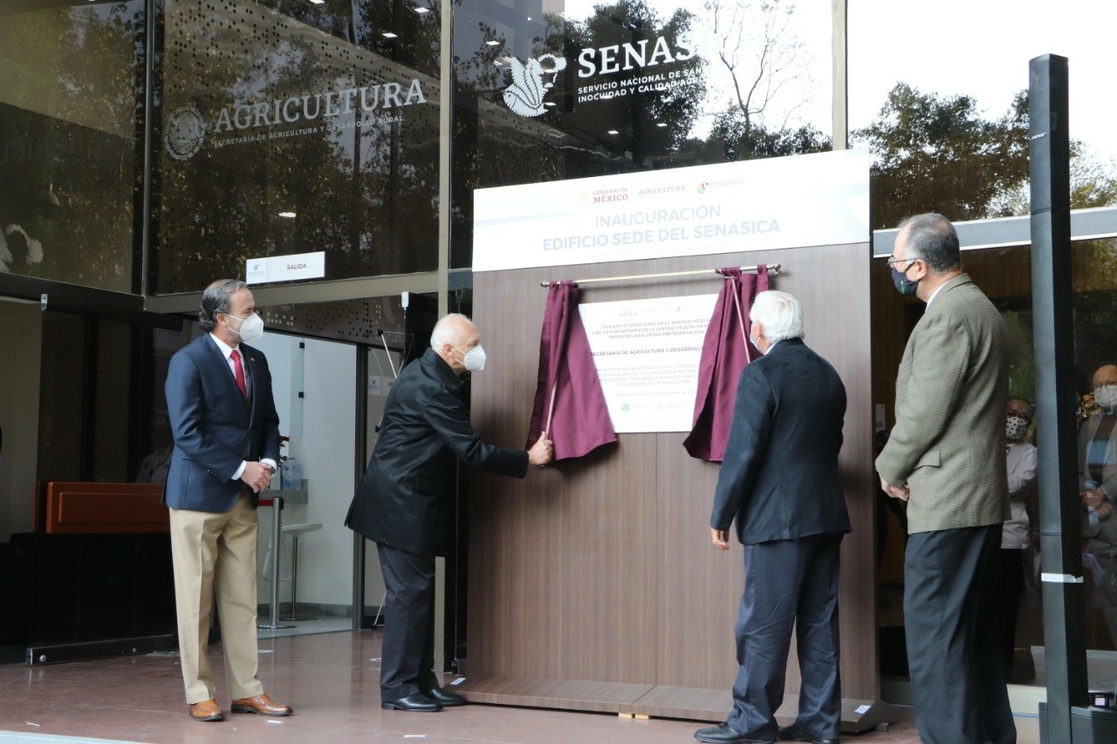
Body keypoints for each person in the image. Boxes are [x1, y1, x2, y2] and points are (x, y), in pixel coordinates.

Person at [346, 313, 554, 713]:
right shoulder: (430, 386)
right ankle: (397, 689)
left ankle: (422, 681)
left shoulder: (434, 375)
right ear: (447, 349)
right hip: (398, 505)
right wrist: (527, 458)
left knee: (418, 594)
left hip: (410, 503)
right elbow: (471, 450)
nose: (479, 352)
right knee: (409, 595)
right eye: (472, 345)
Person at [875, 213, 1015, 744]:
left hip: (948, 501)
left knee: (936, 642)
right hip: (974, 501)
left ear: (917, 265)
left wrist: (890, 466)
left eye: (894, 261)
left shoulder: (948, 315)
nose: (893, 269)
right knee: (971, 637)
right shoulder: (978, 307)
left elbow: (925, 412)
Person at [694, 290, 849, 744]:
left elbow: (742, 452)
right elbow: (832, 445)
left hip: (778, 522)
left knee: (763, 624)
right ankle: (821, 725)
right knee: (819, 625)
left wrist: (722, 513)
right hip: (826, 515)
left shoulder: (760, 373)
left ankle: (752, 723)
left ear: (760, 330)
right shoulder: (829, 375)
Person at [164, 279, 293, 722]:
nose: (255, 317)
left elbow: (270, 421)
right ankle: (199, 692)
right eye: (248, 310)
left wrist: (270, 464)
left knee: (242, 598)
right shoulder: (189, 361)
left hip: (243, 498)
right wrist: (243, 467)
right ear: (221, 317)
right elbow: (187, 433)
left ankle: (247, 690)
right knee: (195, 602)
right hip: (197, 497)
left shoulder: (256, 360)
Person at [1078, 363, 1117, 646]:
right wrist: (1086, 493)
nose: (1104, 390)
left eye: (1110, 383)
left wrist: (1104, 491)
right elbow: (1079, 468)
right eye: (1098, 385)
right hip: (1098, 528)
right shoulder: (1090, 425)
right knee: (1108, 604)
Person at [1002, 398, 1037, 679]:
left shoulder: (1030, 452)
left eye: (1023, 415)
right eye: (1012, 413)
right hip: (982, 535)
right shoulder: (985, 444)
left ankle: (1007, 662)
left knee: (1009, 603)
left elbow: (1018, 484)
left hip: (1012, 537)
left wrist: (984, 479)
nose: (1017, 419)